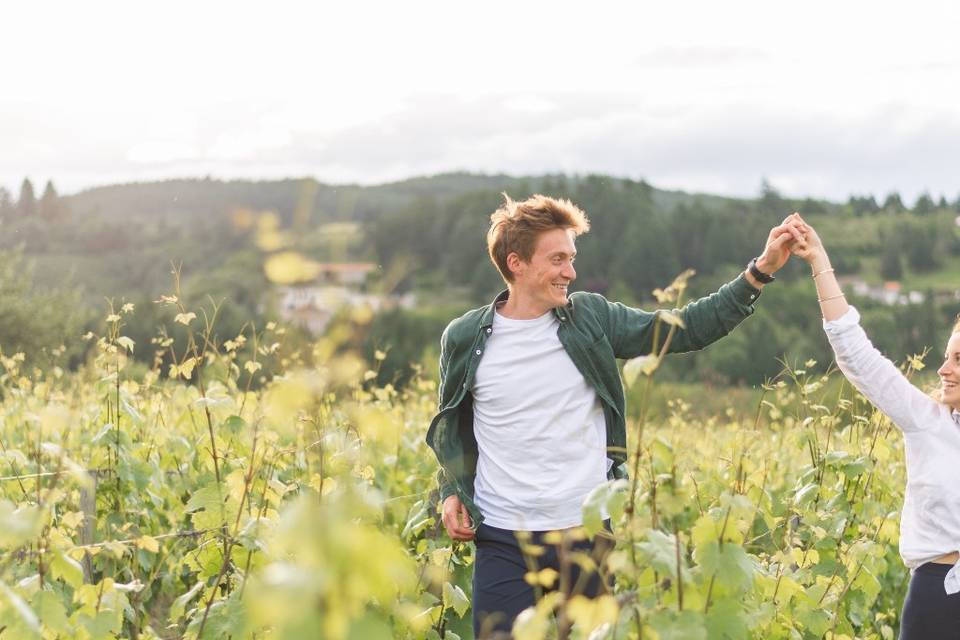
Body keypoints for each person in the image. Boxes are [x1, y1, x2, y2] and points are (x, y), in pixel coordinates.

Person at [425, 194, 804, 638]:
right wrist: (450, 489)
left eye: (572, 258)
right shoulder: (465, 337)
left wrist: (760, 272)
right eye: (558, 259)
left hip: (584, 534)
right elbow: (452, 424)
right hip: (503, 537)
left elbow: (684, 329)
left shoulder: (590, 319)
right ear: (517, 263)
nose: (571, 271)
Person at [790, 215, 960, 639]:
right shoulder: (927, 423)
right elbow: (856, 354)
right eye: (947, 355)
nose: (943, 369)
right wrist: (819, 262)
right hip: (937, 601)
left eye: (959, 360)